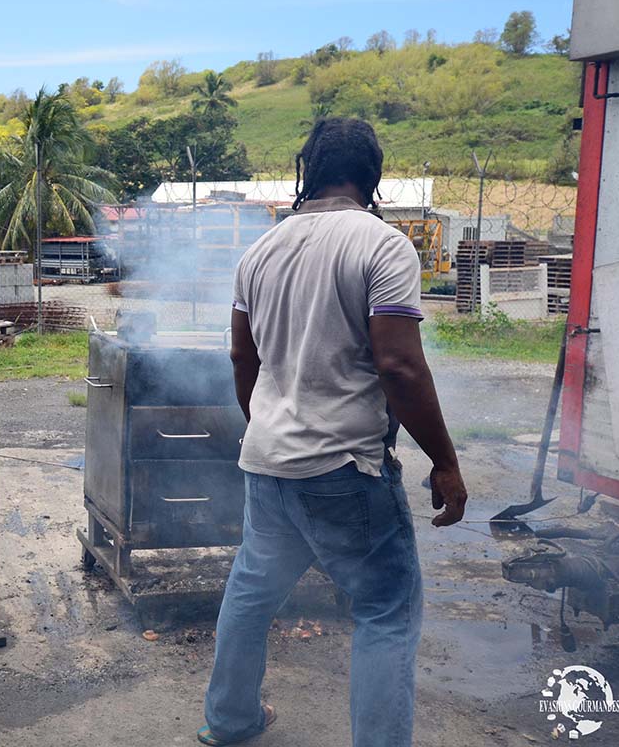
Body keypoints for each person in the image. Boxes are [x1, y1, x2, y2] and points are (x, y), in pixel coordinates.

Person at [197, 117, 467, 747]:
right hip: (347, 470)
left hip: (267, 464)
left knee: (250, 593)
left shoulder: (259, 251)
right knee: (386, 612)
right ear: (370, 176)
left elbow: (243, 359)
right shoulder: (382, 244)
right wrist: (446, 462)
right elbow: (398, 364)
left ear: (307, 171)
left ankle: (231, 721)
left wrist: (267, 424)